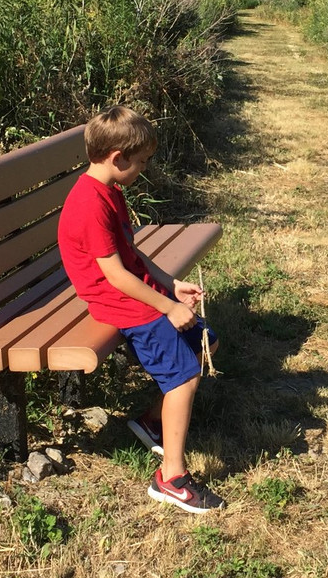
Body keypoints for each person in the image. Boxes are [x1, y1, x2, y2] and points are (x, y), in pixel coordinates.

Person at [57, 105, 224, 514]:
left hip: (136, 292)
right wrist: (167, 306)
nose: (144, 169)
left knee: (205, 344)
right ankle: (171, 478)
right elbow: (115, 275)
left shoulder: (110, 190)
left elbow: (130, 254)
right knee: (184, 375)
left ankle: (151, 423)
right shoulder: (90, 204)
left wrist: (170, 283)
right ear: (118, 158)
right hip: (119, 301)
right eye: (143, 162)